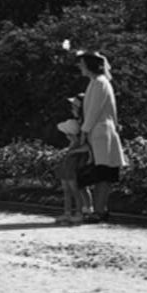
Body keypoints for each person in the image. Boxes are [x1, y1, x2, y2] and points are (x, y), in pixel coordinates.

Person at [77, 50, 127, 223]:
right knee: (101, 172)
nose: (80, 67)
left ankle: (99, 210)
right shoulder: (95, 82)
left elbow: (93, 111)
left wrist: (84, 131)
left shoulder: (99, 83)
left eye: (82, 64)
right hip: (99, 131)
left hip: (101, 132)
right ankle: (100, 209)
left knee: (103, 172)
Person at [52, 94, 95, 224]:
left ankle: (84, 211)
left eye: (74, 106)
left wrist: (74, 150)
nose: (72, 108)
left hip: (79, 158)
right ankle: (81, 211)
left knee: (80, 185)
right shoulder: (79, 122)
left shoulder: (84, 123)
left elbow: (88, 145)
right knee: (79, 186)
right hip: (76, 156)